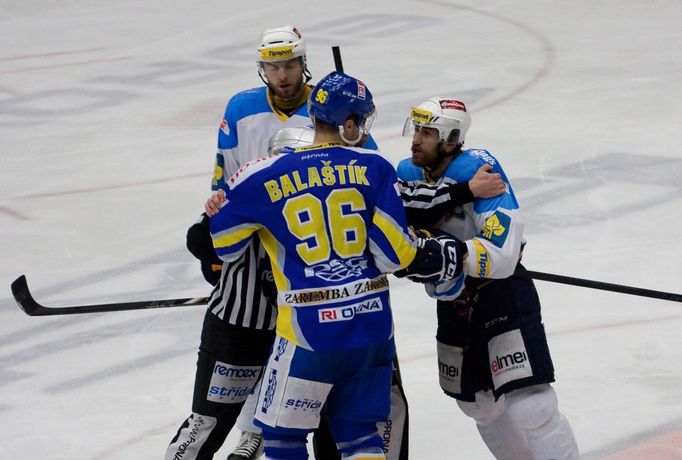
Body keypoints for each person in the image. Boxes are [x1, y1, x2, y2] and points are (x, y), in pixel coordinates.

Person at [209, 71, 464, 460]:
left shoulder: (260, 175)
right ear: (348, 123)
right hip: (372, 328)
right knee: (361, 439)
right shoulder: (376, 167)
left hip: (307, 333)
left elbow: (224, 245)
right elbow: (395, 256)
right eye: (361, 121)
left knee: (282, 441)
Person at [165, 24, 320, 460]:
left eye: (290, 65)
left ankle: (254, 428)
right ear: (262, 69)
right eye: (274, 67)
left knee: (290, 419)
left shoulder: (325, 106)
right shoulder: (241, 109)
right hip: (245, 288)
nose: (283, 75)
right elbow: (223, 184)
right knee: (208, 419)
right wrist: (214, 240)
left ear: (303, 64)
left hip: (304, 287)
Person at [395, 97, 580, 459]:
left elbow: (504, 251)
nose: (416, 139)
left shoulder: (480, 168)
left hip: (500, 293)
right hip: (453, 302)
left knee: (532, 406)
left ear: (450, 140)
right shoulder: (407, 171)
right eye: (416, 129)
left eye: (428, 132)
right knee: (480, 406)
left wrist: (453, 255)